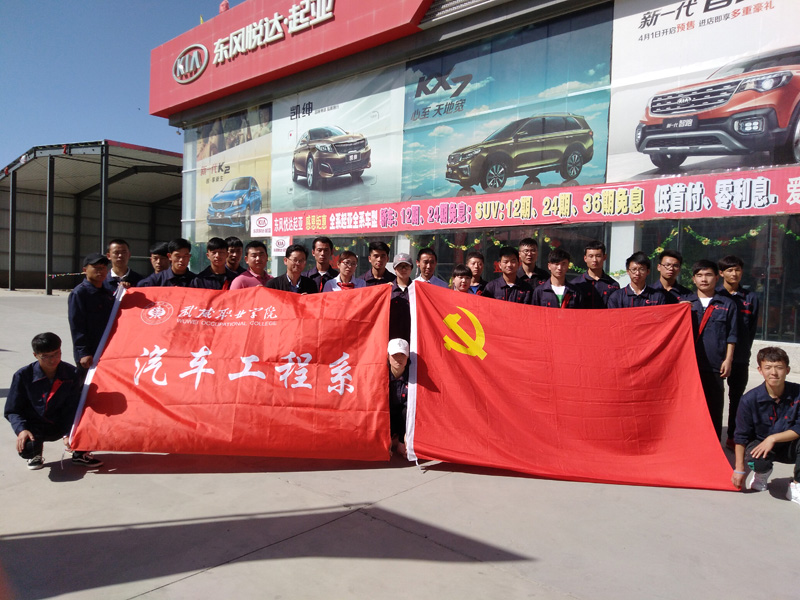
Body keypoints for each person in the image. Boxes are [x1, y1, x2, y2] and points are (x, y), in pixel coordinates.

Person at [4, 333, 103, 469]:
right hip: (36, 424)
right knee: (28, 447)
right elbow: (12, 410)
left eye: (56, 354)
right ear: (35, 355)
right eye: (46, 356)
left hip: (60, 422)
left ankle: (80, 453)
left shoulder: (72, 373)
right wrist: (21, 430)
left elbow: (73, 406)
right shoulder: (23, 375)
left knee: (91, 414)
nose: (53, 360)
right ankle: (35, 453)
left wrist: (69, 433)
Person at [731, 347, 800, 505]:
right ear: (760, 370)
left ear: (787, 370)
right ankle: (762, 473)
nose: (774, 373)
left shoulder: (798, 393)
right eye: (768, 367)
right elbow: (741, 436)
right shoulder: (749, 400)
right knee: (757, 461)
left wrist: (773, 438)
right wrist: (739, 469)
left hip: (789, 443)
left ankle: (796, 485)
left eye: (779, 367)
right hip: (761, 445)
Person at [687, 259, 738, 440]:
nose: (704, 279)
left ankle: (714, 443)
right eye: (699, 275)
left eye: (708, 275)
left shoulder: (727, 304)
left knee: (714, 407)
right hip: (689, 366)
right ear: (693, 279)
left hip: (715, 365)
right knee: (689, 408)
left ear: (717, 277)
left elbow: (732, 335)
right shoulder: (685, 303)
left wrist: (728, 360)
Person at [716, 255, 761, 449]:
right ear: (721, 273)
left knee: (736, 399)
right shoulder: (715, 296)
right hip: (716, 356)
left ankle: (733, 436)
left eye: (737, 270)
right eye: (730, 270)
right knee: (714, 398)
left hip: (740, 357)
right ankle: (711, 436)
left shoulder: (751, 298)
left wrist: (743, 353)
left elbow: (751, 330)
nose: (734, 274)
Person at [68, 253, 115, 369]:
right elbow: (77, 326)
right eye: (96, 267)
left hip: (107, 349)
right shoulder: (79, 293)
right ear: (85, 270)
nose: (100, 271)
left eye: (103, 268)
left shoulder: (108, 293)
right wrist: (83, 352)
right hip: (89, 353)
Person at [573, 240, 619, 308]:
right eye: (591, 256)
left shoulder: (613, 285)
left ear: (604, 257)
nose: (594, 260)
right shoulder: (575, 284)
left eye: (598, 256)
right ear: (585, 258)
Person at [387, 338, 410, 457]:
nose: (399, 359)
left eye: (402, 355)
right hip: (387, 414)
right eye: (395, 355)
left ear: (408, 357)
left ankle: (402, 442)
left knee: (407, 410)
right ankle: (388, 440)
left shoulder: (413, 374)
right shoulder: (381, 373)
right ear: (388, 356)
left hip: (404, 417)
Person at [389, 253, 413, 342]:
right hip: (392, 338)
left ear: (411, 269)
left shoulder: (417, 290)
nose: (403, 269)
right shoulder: (388, 290)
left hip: (412, 337)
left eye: (406, 266)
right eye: (400, 266)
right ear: (395, 269)